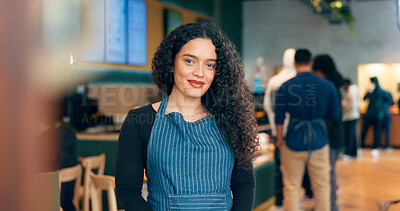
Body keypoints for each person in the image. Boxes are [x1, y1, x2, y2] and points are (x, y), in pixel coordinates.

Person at [115, 22, 259, 211]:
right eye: (189, 61)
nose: (199, 73)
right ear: (171, 63)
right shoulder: (139, 121)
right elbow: (127, 190)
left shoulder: (230, 119)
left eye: (209, 65)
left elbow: (245, 184)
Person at [275, 49, 340, 211]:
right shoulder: (327, 85)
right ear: (311, 63)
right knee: (322, 187)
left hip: (293, 141)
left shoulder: (285, 87)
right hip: (319, 140)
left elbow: (279, 117)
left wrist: (279, 139)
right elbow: (335, 115)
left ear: (295, 63)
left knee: (291, 187)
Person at [263, 48, 313, 209]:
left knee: (280, 168)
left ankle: (279, 201)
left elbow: (267, 106)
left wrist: (274, 127)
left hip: (278, 131)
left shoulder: (273, 81)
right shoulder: (299, 81)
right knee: (301, 167)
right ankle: (303, 194)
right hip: (298, 133)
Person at [313, 54, 345, 211]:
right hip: (336, 136)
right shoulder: (335, 85)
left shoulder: (329, 87)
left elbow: (331, 117)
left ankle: (331, 206)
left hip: (330, 138)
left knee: (328, 172)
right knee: (328, 171)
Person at [39, 115, 79, 211]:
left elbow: (45, 167)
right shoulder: (69, 132)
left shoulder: (46, 140)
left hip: (55, 201)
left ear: (40, 124)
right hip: (68, 203)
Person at [360, 77, 391, 156]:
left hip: (378, 115)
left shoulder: (382, 92)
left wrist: (382, 108)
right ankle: (362, 145)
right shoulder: (371, 92)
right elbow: (364, 98)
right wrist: (368, 91)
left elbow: (390, 101)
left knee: (377, 132)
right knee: (364, 131)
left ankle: (375, 147)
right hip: (369, 114)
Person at [341, 79, 360, 158]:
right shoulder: (353, 91)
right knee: (352, 135)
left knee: (349, 135)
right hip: (353, 115)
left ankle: (349, 153)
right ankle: (353, 152)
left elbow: (350, 105)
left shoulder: (350, 93)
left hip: (350, 116)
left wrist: (342, 103)